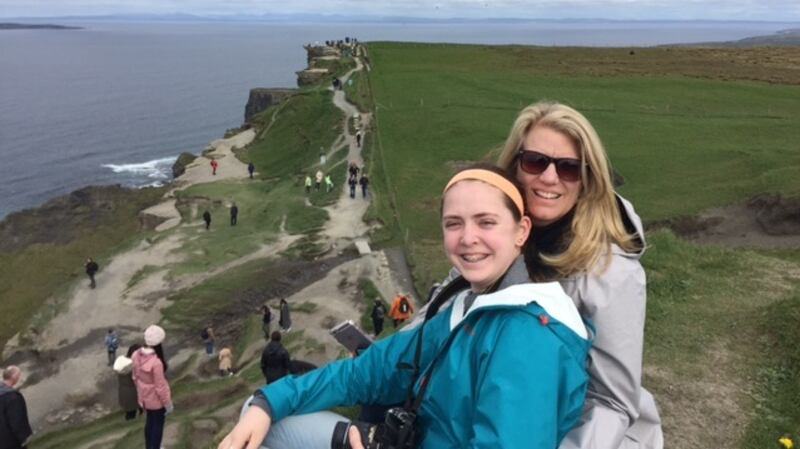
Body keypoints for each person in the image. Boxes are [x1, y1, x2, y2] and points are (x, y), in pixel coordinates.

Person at [217, 164, 591, 449]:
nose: (467, 238)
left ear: (522, 231)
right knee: (260, 409)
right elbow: (367, 372)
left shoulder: (528, 339)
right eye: (453, 223)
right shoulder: (472, 306)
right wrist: (270, 401)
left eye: (486, 222)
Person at [420, 102, 664, 448]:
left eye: (569, 168)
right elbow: (453, 297)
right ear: (516, 165)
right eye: (535, 161)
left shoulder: (609, 272)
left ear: (586, 179)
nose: (549, 178)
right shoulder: (503, 231)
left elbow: (610, 403)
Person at [132, 325, 173, 449]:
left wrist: (141, 393)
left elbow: (135, 377)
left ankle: (149, 446)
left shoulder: (135, 354)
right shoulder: (156, 363)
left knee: (149, 422)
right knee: (157, 426)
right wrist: (168, 404)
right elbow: (160, 387)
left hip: (144, 397)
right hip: (156, 400)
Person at [0, 366, 33, 449]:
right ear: (14, 377)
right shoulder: (12, 397)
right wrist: (24, 438)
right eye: (19, 375)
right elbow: (17, 421)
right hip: (10, 441)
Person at [114, 344, 142, 421]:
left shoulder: (122, 364)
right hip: (133, 392)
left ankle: (129, 420)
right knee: (136, 409)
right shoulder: (133, 366)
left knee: (129, 412)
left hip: (123, 391)